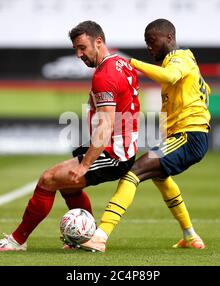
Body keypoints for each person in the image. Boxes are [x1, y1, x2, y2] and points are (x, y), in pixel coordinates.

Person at [0, 20, 140, 251]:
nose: (79, 54)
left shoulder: (104, 76)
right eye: (76, 49)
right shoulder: (120, 63)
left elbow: (106, 126)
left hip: (114, 153)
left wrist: (85, 164)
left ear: (98, 42)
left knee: (48, 179)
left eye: (82, 47)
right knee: (68, 187)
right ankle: (86, 238)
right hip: (123, 147)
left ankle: (17, 240)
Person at [80, 18, 211, 252]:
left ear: (169, 38)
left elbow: (170, 77)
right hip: (186, 134)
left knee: (133, 173)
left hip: (189, 136)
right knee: (160, 177)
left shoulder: (179, 58)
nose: (149, 47)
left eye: (152, 41)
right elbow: (203, 90)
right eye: (146, 43)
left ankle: (100, 236)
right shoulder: (185, 61)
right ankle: (190, 236)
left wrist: (132, 62)